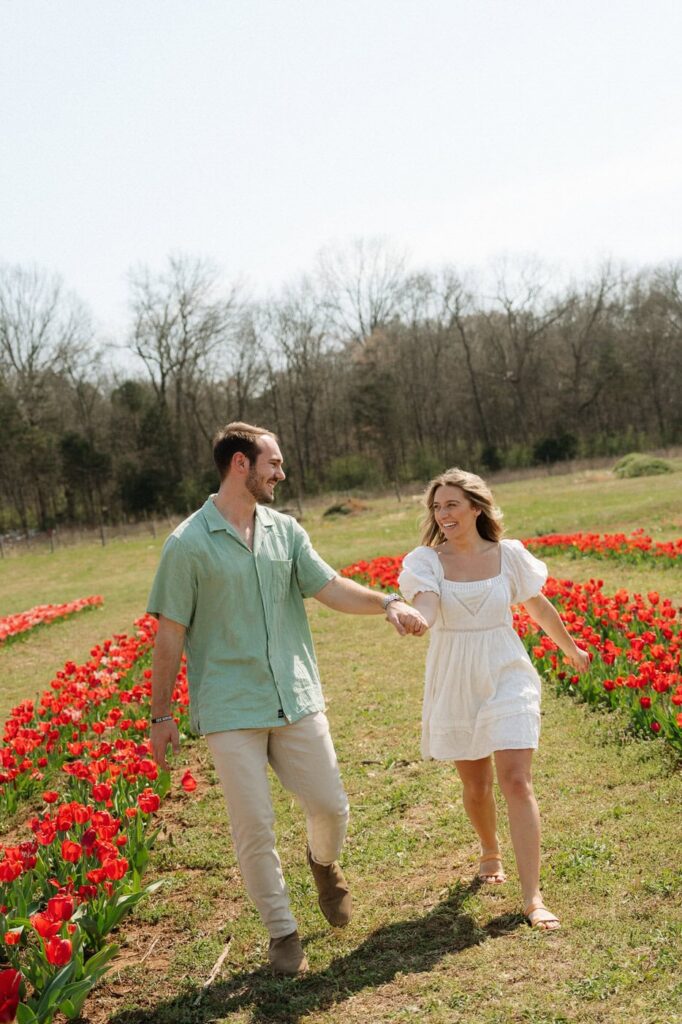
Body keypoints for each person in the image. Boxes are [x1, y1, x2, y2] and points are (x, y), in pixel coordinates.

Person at [147, 422, 427, 975]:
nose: (282, 473)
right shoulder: (187, 544)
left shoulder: (285, 531)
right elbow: (170, 633)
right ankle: (283, 932)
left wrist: (387, 603)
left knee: (331, 805)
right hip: (230, 707)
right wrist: (161, 714)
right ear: (240, 465)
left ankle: (323, 862)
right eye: (273, 463)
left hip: (295, 696)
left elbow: (328, 586)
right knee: (254, 826)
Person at [397, 467, 589, 931]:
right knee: (477, 785)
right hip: (456, 675)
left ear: (476, 508)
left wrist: (570, 647)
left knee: (517, 781)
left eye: (452, 505)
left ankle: (532, 896)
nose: (443, 514)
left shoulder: (509, 555)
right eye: (437, 507)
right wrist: (415, 618)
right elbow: (425, 603)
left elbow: (536, 604)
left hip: (506, 667)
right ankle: (489, 849)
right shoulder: (427, 562)